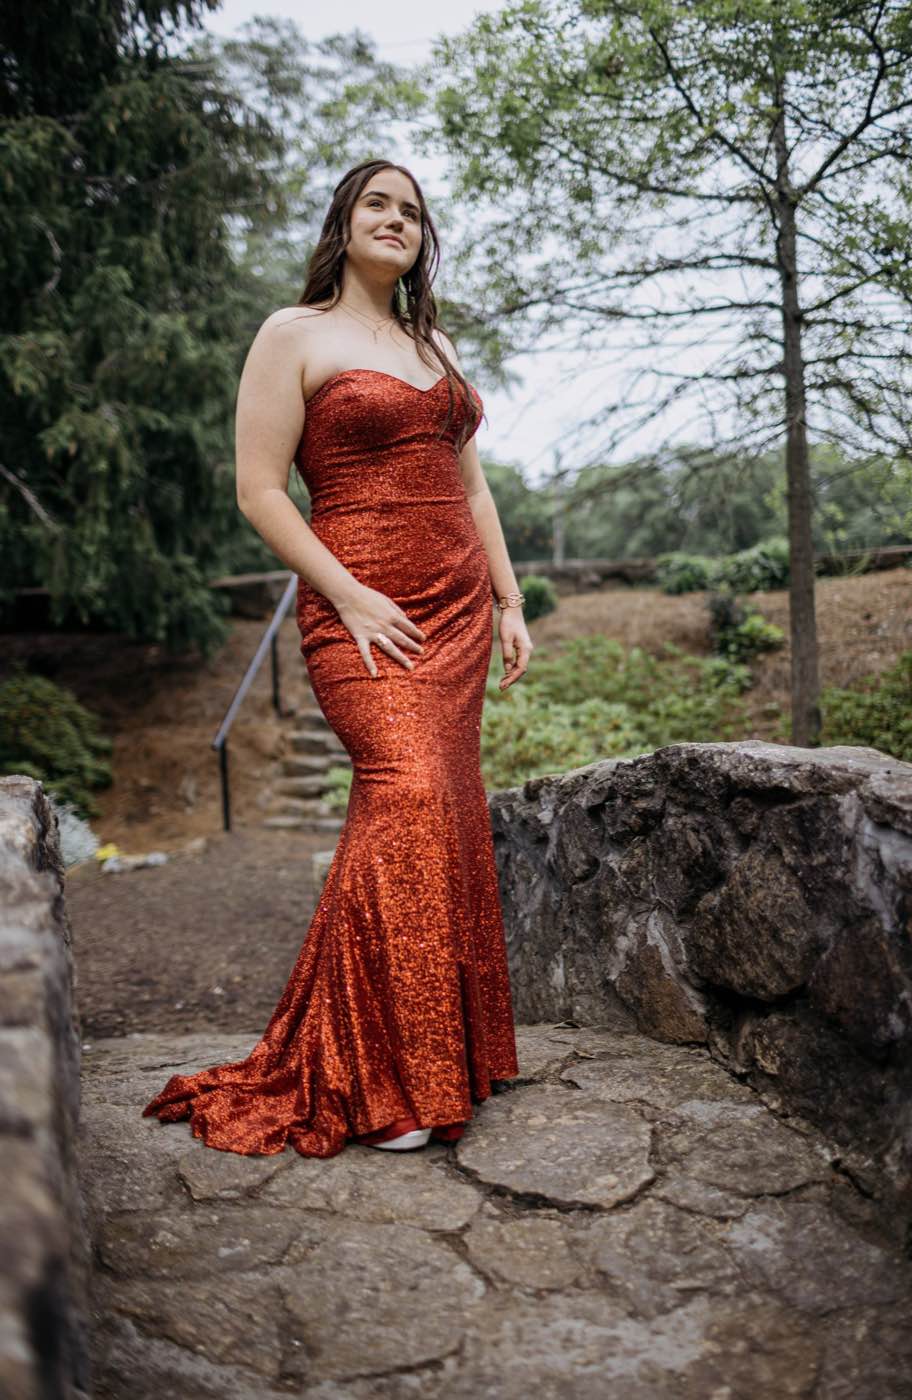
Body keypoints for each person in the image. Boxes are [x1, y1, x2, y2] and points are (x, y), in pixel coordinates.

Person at [141, 158, 533, 1155]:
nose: (397, 220)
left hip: (454, 610)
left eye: (412, 210)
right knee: (403, 793)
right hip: (361, 610)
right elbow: (259, 488)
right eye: (379, 204)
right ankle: (374, 1074)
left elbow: (473, 488)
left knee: (441, 810)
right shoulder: (293, 334)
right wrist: (347, 591)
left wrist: (509, 594)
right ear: (344, 222)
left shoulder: (430, 340)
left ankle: (433, 1058)